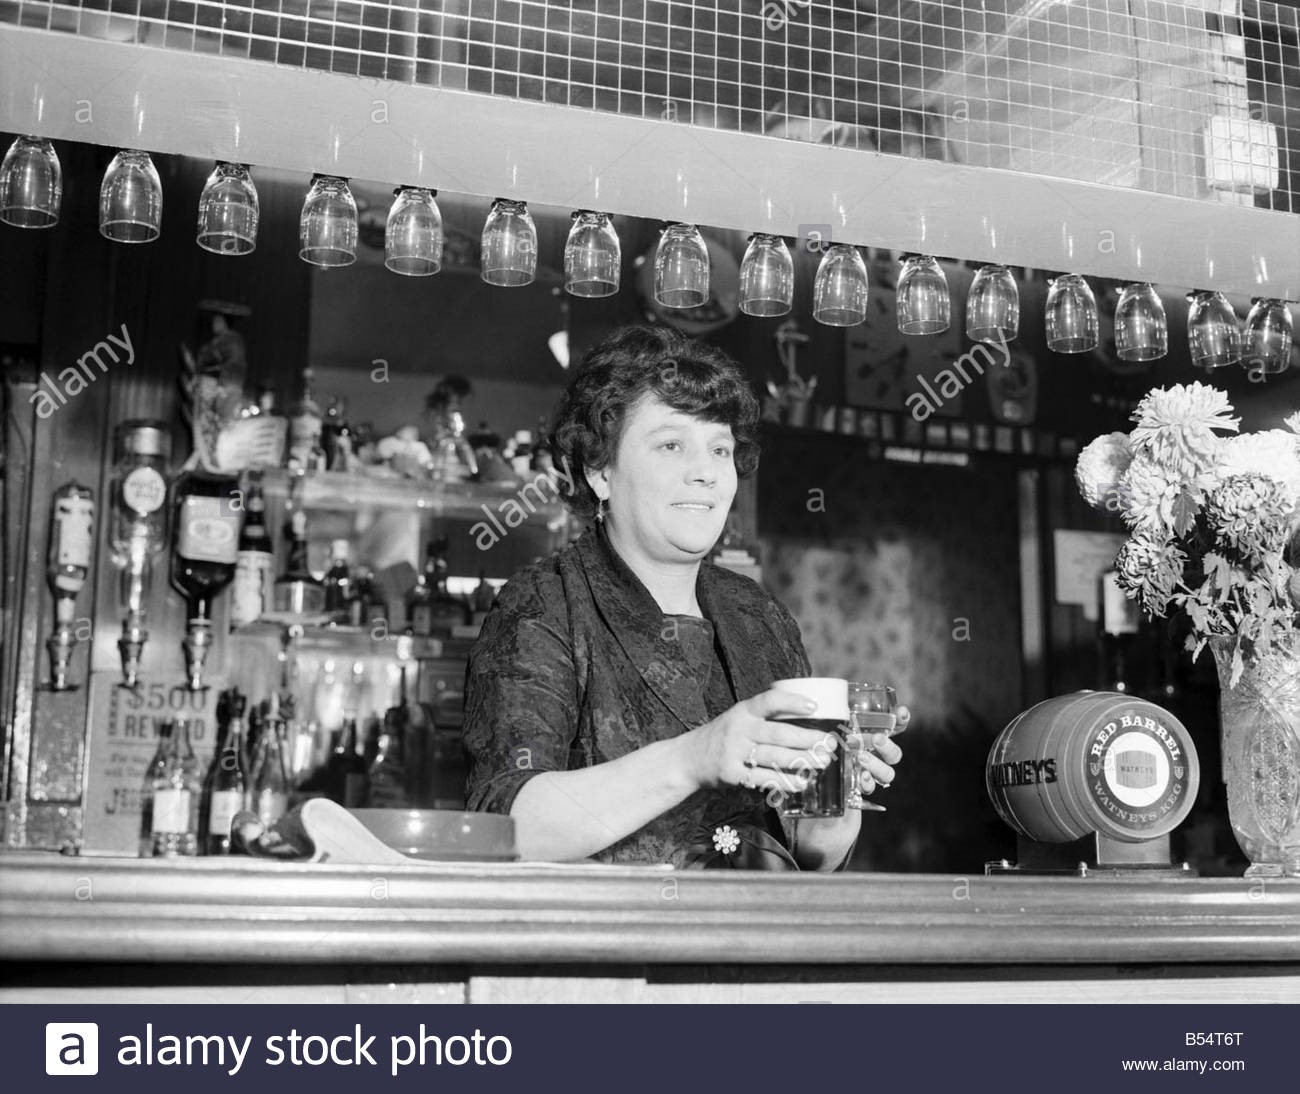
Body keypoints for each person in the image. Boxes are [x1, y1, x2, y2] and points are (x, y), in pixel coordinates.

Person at [463, 325, 905, 869]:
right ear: (599, 471)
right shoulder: (543, 605)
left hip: (757, 943)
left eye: (720, 449)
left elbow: (809, 857)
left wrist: (834, 793)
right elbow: (504, 827)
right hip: (612, 947)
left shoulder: (760, 616)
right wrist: (695, 757)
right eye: (672, 445)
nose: (705, 472)